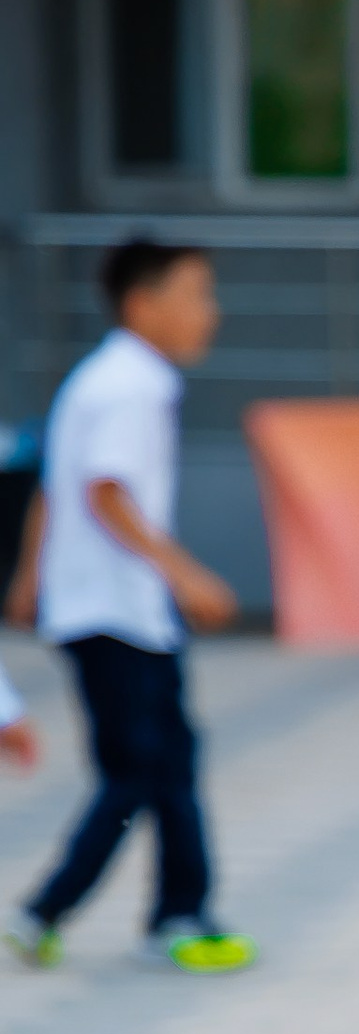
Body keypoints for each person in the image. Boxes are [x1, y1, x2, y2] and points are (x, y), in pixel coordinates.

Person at [5, 236, 252, 974]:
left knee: (167, 761)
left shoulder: (97, 378)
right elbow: (104, 490)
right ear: (144, 304)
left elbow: (56, 484)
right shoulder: (135, 385)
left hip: (100, 608)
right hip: (120, 612)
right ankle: (48, 909)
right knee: (139, 771)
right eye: (197, 294)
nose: (211, 312)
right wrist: (185, 575)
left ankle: (180, 912)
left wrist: (29, 577)